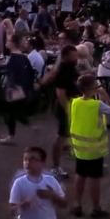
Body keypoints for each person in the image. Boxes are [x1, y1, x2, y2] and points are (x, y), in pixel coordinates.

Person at [69, 74, 110, 218]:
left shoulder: (75, 102)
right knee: (94, 179)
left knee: (80, 175)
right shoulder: (97, 105)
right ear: (93, 88)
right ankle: (96, 208)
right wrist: (105, 96)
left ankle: (77, 204)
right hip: (94, 149)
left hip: (79, 148)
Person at [39, 44, 79, 179]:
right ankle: (55, 167)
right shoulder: (63, 70)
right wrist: (69, 110)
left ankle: (74, 153)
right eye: (74, 56)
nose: (76, 58)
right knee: (61, 137)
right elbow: (60, 93)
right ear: (67, 57)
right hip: (65, 107)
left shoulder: (71, 68)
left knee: (68, 135)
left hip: (73, 105)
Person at [0, 35, 36, 144]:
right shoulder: (24, 57)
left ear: (13, 44)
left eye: (9, 41)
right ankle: (30, 125)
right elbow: (30, 73)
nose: (6, 42)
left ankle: (11, 136)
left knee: (9, 113)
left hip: (14, 90)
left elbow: (11, 76)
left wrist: (8, 89)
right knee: (16, 111)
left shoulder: (13, 59)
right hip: (23, 89)